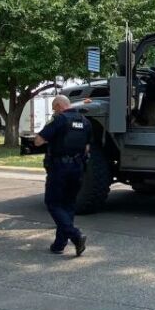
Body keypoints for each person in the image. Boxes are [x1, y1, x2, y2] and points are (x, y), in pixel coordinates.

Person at [33, 95, 91, 256]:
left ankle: (76, 235)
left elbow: (38, 141)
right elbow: (87, 148)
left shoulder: (59, 120)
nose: (54, 111)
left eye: (54, 108)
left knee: (53, 203)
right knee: (68, 206)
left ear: (59, 106)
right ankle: (59, 245)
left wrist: (50, 139)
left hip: (59, 168)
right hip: (77, 168)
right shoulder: (85, 122)